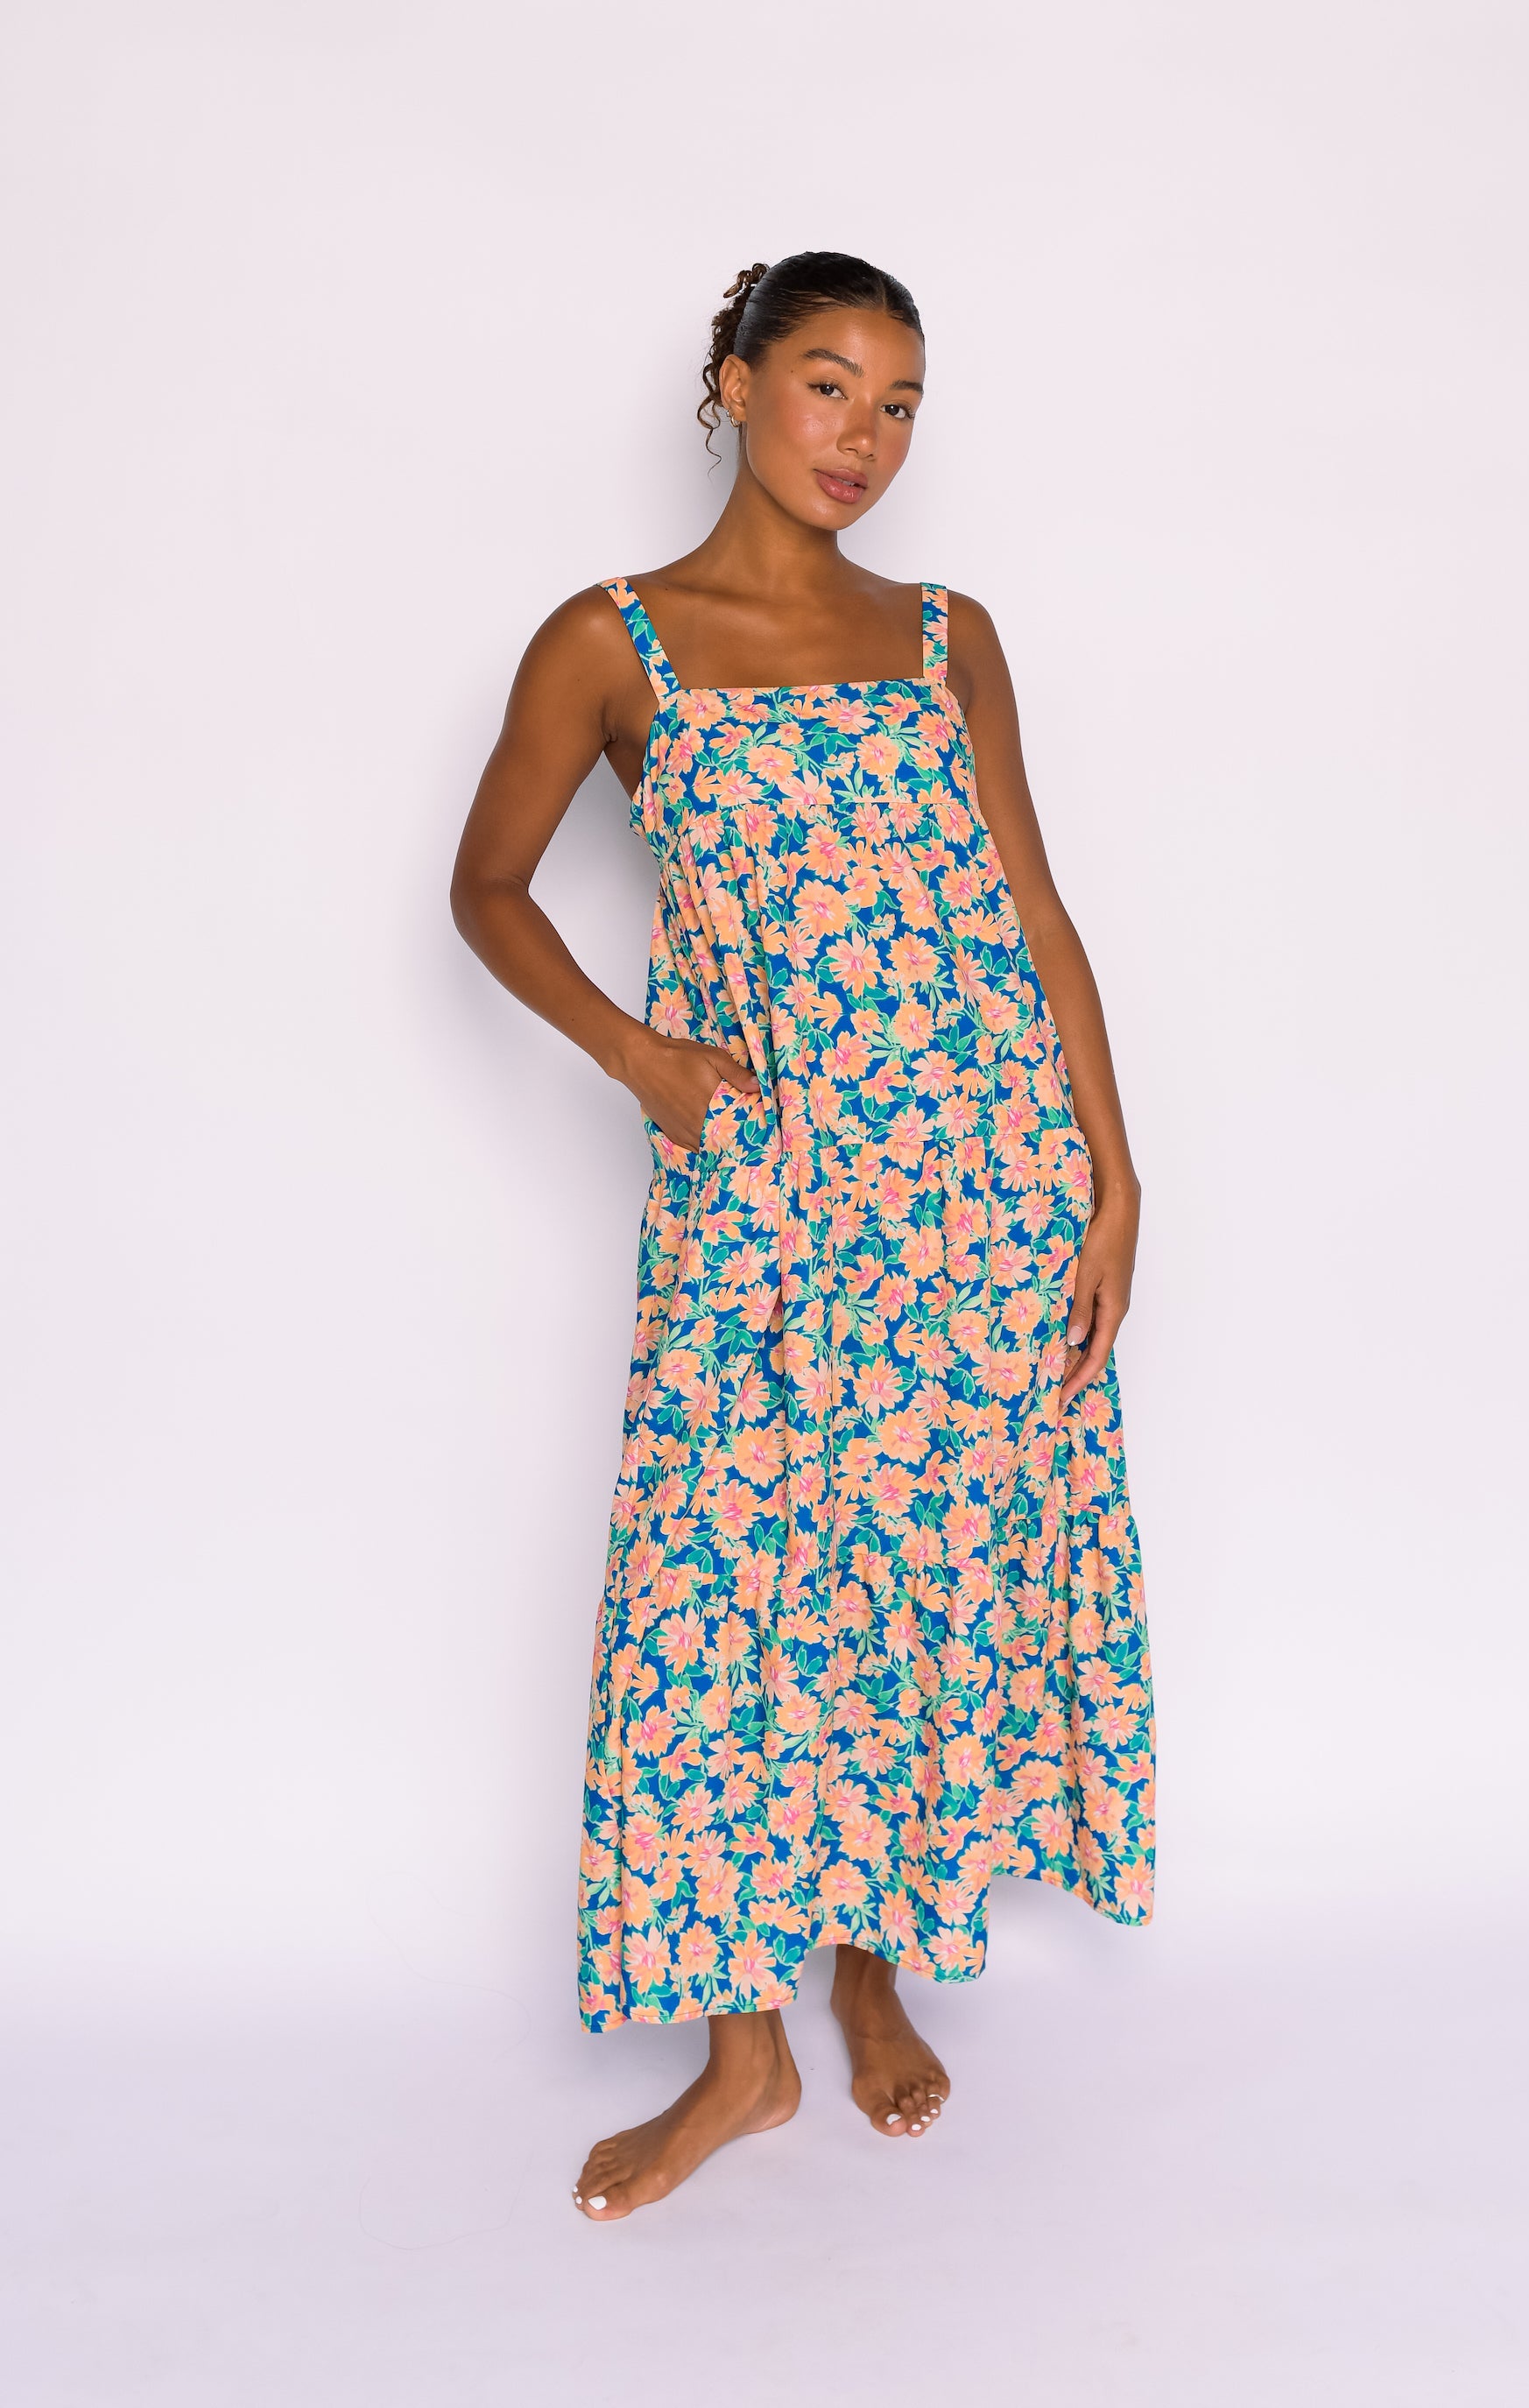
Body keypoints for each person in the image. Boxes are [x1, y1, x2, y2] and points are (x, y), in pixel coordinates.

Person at [451, 252, 1155, 2223]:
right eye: (830, 382)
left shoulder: (945, 635)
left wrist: (1113, 1178)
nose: (864, 434)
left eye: (900, 401)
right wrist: (637, 1054)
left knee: (918, 1575)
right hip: (762, 1199)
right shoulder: (614, 641)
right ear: (737, 382)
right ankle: (739, 2054)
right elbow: (486, 886)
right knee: (729, 1580)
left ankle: (870, 1968)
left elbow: (1034, 911)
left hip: (980, 1190)